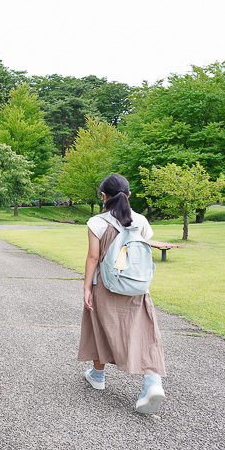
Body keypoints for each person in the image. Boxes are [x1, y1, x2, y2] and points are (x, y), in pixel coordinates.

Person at [78, 173, 167, 414]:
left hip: (106, 286)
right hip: (137, 287)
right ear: (128, 195)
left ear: (104, 196)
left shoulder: (97, 222)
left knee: (99, 326)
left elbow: (94, 257)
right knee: (143, 332)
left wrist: (87, 287)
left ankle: (98, 375)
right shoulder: (141, 221)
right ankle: (152, 382)